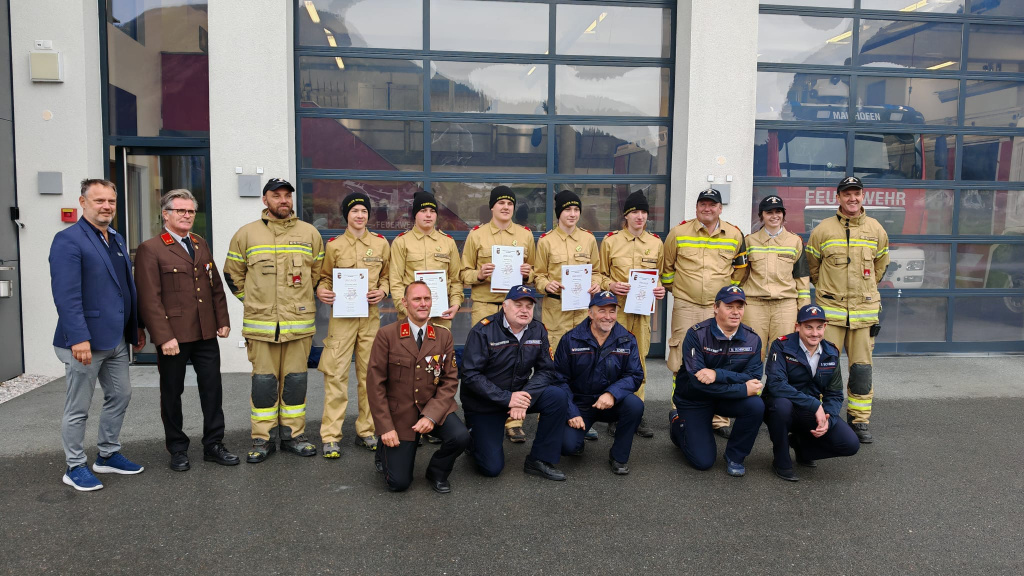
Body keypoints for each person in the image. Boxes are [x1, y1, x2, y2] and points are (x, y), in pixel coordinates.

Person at [49, 178, 146, 491]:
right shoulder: (68, 240)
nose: (106, 207)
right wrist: (79, 338)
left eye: (111, 202)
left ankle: (107, 455)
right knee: (78, 407)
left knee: (121, 394)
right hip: (84, 341)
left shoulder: (115, 238)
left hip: (116, 338)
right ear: (83, 202)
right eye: (99, 201)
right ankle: (74, 465)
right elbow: (66, 295)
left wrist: (137, 325)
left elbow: (125, 288)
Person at [223, 178, 325, 463]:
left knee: (295, 382)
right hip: (261, 326)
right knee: (264, 384)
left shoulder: (309, 233)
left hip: (298, 325)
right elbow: (232, 274)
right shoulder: (246, 234)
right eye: (276, 195)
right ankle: (262, 438)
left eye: (287, 196)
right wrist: (253, 301)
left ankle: (294, 435)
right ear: (265, 200)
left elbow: (317, 274)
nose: (283, 200)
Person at [135, 189, 237, 471]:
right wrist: (163, 336)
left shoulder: (199, 242)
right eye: (180, 211)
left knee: (212, 390)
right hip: (174, 336)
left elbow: (214, 284)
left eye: (190, 211)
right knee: (171, 392)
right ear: (165, 214)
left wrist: (222, 319)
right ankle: (177, 448)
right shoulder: (151, 248)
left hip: (205, 332)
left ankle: (213, 444)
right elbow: (149, 299)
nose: (186, 215)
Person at [804, 176, 890, 443]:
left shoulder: (876, 230)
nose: (852, 199)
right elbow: (812, 268)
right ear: (837, 197)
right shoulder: (823, 230)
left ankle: (859, 420)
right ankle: (820, 416)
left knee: (862, 369)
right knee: (823, 368)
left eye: (857, 194)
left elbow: (880, 266)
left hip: (864, 314)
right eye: (847, 194)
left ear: (863, 196)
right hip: (830, 315)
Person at [365, 281, 469, 493]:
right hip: (400, 412)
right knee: (399, 483)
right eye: (417, 299)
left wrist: (431, 416)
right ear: (404, 303)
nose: (423, 304)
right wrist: (385, 428)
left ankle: (437, 472)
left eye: (427, 299)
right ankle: (383, 446)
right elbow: (375, 384)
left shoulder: (443, 336)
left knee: (461, 437)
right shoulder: (387, 335)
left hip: (432, 407)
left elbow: (449, 381)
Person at [662, 187, 748, 438]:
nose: (707, 208)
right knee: (681, 360)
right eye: (702, 204)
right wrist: (678, 289)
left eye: (712, 204)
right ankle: (679, 409)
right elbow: (666, 269)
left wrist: (725, 300)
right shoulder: (678, 233)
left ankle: (719, 418)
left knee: (719, 358)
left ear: (720, 208)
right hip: (687, 305)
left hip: (718, 308)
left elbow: (740, 270)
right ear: (697, 207)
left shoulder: (734, 234)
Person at [461, 285, 569, 481]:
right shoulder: (483, 331)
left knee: (557, 397)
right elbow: (470, 375)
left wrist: (525, 397)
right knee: (491, 468)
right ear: (504, 306)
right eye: (518, 305)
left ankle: (539, 460)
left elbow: (546, 370)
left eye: (529, 306)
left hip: (519, 393)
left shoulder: (537, 329)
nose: (524, 310)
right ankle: (473, 437)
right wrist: (507, 399)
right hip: (485, 401)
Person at [315, 192, 391, 458]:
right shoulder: (334, 246)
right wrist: (322, 291)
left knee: (369, 376)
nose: (360, 215)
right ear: (346, 215)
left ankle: (367, 431)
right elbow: (324, 278)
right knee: (335, 375)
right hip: (342, 320)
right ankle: (331, 435)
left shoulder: (381, 245)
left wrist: (383, 291)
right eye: (355, 211)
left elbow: (387, 277)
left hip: (369, 319)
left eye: (364, 211)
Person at [668, 286, 764, 477]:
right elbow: (697, 382)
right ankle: (678, 424)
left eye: (740, 306)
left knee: (756, 406)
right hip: (695, 399)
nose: (736, 312)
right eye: (729, 306)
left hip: (724, 398)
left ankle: (735, 457)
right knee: (703, 462)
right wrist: (742, 390)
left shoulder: (753, 339)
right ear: (715, 307)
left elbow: (753, 377)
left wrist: (716, 374)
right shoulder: (696, 334)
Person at [531, 189, 603, 443]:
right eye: (567, 210)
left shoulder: (589, 240)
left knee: (584, 365)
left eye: (576, 210)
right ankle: (550, 415)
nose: (572, 214)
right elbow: (537, 275)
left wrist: (596, 283)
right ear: (559, 213)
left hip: (583, 312)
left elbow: (599, 272)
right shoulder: (547, 241)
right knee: (553, 365)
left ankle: (584, 415)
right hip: (556, 313)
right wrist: (545, 285)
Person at [763, 305, 861, 482]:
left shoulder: (831, 352)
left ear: (825, 327)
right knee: (781, 406)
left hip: (811, 411)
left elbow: (835, 393)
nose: (814, 333)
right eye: (808, 327)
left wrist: (828, 419)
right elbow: (776, 385)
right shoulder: (782, 345)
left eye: (819, 327)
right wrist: (814, 404)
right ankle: (781, 460)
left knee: (850, 444)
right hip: (781, 407)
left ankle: (801, 445)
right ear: (797, 326)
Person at [597, 190, 665, 438]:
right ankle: (614, 413)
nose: (640, 216)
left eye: (643, 212)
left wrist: (660, 290)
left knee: (639, 362)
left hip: (642, 315)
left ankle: (636, 412)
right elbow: (599, 275)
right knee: (614, 360)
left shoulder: (656, 243)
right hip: (616, 313)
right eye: (635, 212)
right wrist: (611, 286)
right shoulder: (611, 241)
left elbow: (662, 278)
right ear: (626, 215)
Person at [556, 291, 645, 475]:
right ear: (590, 313)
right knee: (567, 447)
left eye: (612, 311)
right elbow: (559, 379)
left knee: (635, 405)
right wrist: (571, 411)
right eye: (601, 311)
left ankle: (618, 456)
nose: (608, 317)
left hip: (612, 402)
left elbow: (635, 375)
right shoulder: (570, 339)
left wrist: (612, 393)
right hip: (581, 404)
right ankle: (577, 442)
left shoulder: (627, 339)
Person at [739, 195, 811, 361]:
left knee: (783, 354)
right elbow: (741, 276)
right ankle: (753, 388)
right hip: (755, 305)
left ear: (784, 215)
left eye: (778, 211)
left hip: (785, 306)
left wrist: (804, 310)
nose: (774, 216)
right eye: (769, 212)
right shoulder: (749, 241)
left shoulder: (795, 242)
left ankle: (777, 387)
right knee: (752, 353)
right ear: (761, 216)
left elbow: (801, 280)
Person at [460, 185, 535, 327]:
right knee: (483, 348)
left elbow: (534, 272)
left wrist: (527, 275)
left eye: (510, 204)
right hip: (484, 307)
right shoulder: (476, 235)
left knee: (514, 349)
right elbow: (463, 273)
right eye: (501, 203)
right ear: (492, 207)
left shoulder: (526, 235)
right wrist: (480, 275)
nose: (506, 207)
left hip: (516, 307)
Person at [389, 190, 463, 331]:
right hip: (410, 318)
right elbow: (396, 282)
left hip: (441, 317)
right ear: (415, 214)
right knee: (408, 353)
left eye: (432, 211)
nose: (428, 215)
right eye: (423, 210)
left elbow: (456, 280)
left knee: (440, 353)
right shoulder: (402, 242)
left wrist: (455, 305)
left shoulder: (448, 242)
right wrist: (407, 311)